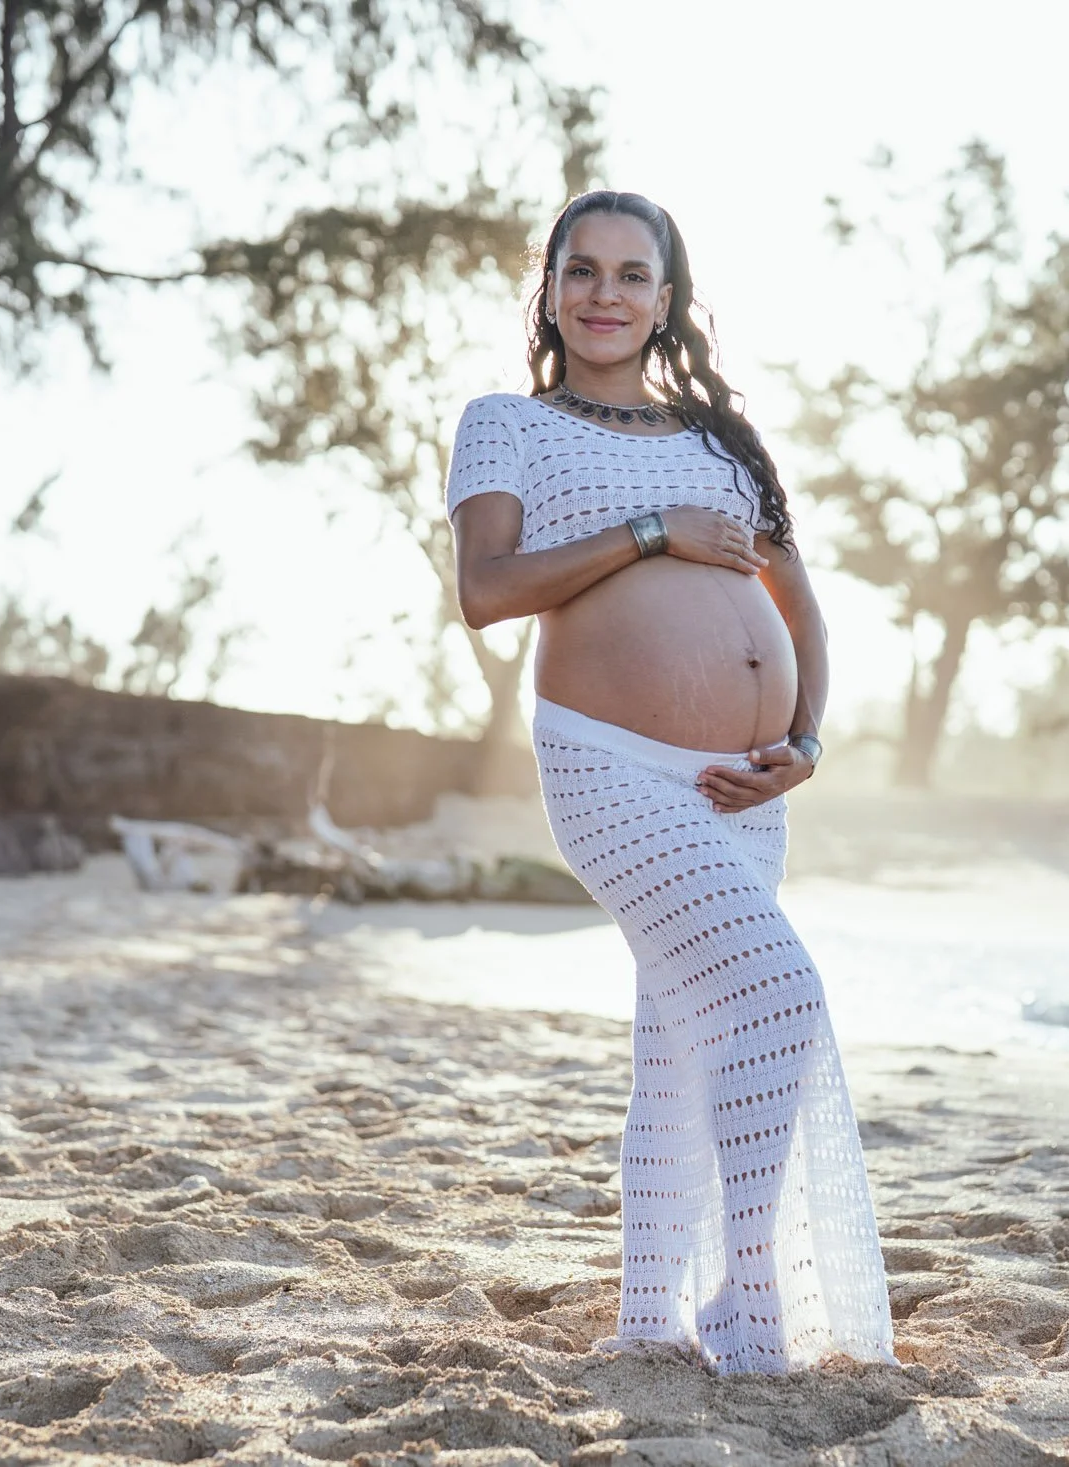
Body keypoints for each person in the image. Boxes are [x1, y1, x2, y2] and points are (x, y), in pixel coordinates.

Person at [442, 190, 896, 1376]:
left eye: (632, 275)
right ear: (548, 291)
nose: (605, 294)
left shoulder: (724, 442)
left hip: (747, 786)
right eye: (580, 271)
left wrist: (803, 736)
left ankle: (651, 1317)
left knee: (684, 1038)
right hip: (609, 763)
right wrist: (648, 531)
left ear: (666, 300)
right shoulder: (507, 423)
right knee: (778, 993)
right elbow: (487, 591)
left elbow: (798, 604)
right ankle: (753, 1304)